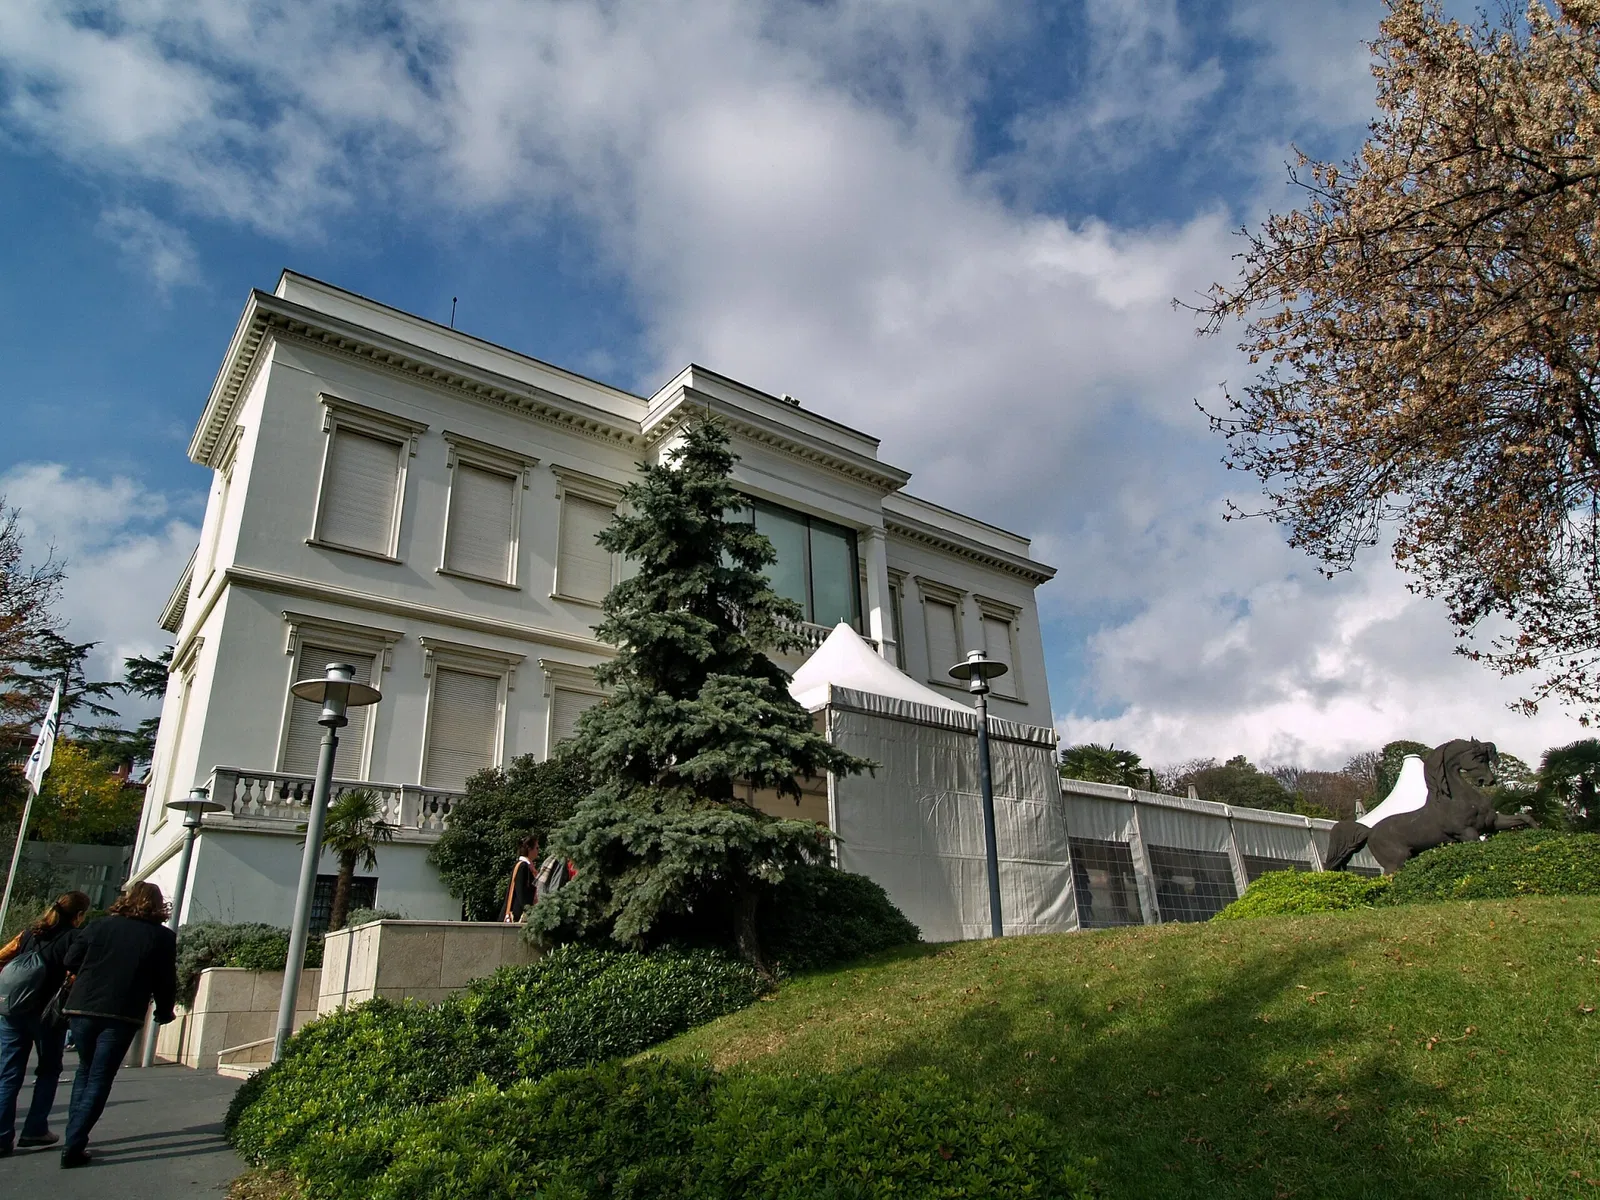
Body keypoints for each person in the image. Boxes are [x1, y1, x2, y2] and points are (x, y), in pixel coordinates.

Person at [49, 881, 178, 1169]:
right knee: (100, 1076)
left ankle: (75, 1137)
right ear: (158, 905)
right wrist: (164, 1011)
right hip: (122, 1012)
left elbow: (71, 959)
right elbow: (165, 980)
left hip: (83, 1007)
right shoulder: (162, 938)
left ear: (127, 899)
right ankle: (75, 1141)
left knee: (85, 1069)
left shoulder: (99, 927)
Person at [0, 891, 91, 1156]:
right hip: (47, 1015)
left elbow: (3, 955)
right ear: (79, 915)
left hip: (12, 1011)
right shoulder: (74, 938)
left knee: (8, 1073)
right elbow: (76, 971)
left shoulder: (30, 933)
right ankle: (35, 1130)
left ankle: (2, 1136)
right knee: (48, 1071)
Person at [502, 837, 539, 922]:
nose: (538, 851)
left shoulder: (527, 866)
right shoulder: (523, 866)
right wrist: (528, 910)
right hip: (517, 915)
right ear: (529, 849)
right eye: (536, 848)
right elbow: (521, 892)